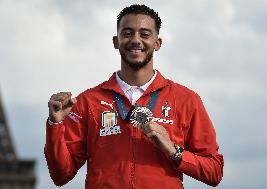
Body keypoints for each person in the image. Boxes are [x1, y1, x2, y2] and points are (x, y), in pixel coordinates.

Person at [44, 4, 224, 189]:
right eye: (127, 33)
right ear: (116, 41)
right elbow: (61, 176)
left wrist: (173, 151)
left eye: (145, 34)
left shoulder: (186, 100)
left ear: (157, 43)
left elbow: (214, 172)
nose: (136, 40)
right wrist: (55, 125)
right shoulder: (88, 101)